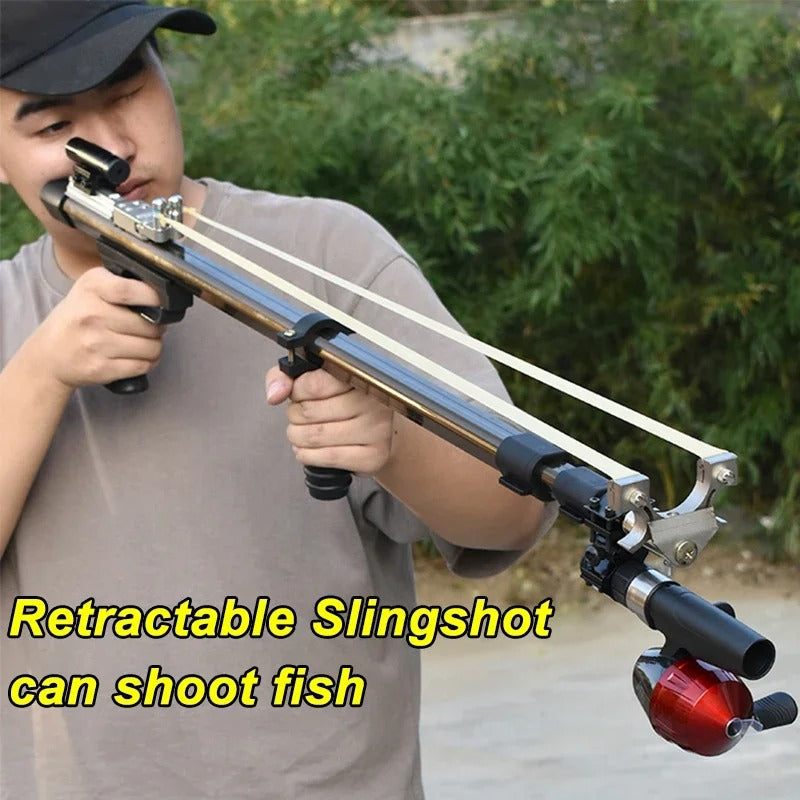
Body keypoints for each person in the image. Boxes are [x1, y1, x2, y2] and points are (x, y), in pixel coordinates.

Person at [0, 2, 557, 797]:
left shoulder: (328, 253)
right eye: (56, 125)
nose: (116, 148)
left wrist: (392, 443)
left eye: (128, 93)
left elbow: (513, 514)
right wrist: (41, 374)